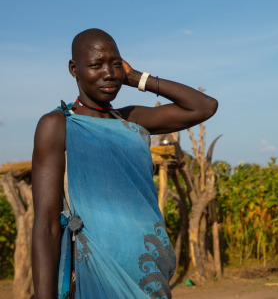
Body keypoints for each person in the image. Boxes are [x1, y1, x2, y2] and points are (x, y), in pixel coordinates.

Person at [31, 28, 218, 299]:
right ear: (74, 69)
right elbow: (46, 223)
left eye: (115, 64)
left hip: (148, 273)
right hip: (95, 272)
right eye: (96, 65)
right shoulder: (58, 125)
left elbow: (204, 106)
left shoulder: (131, 120)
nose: (109, 74)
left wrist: (135, 78)